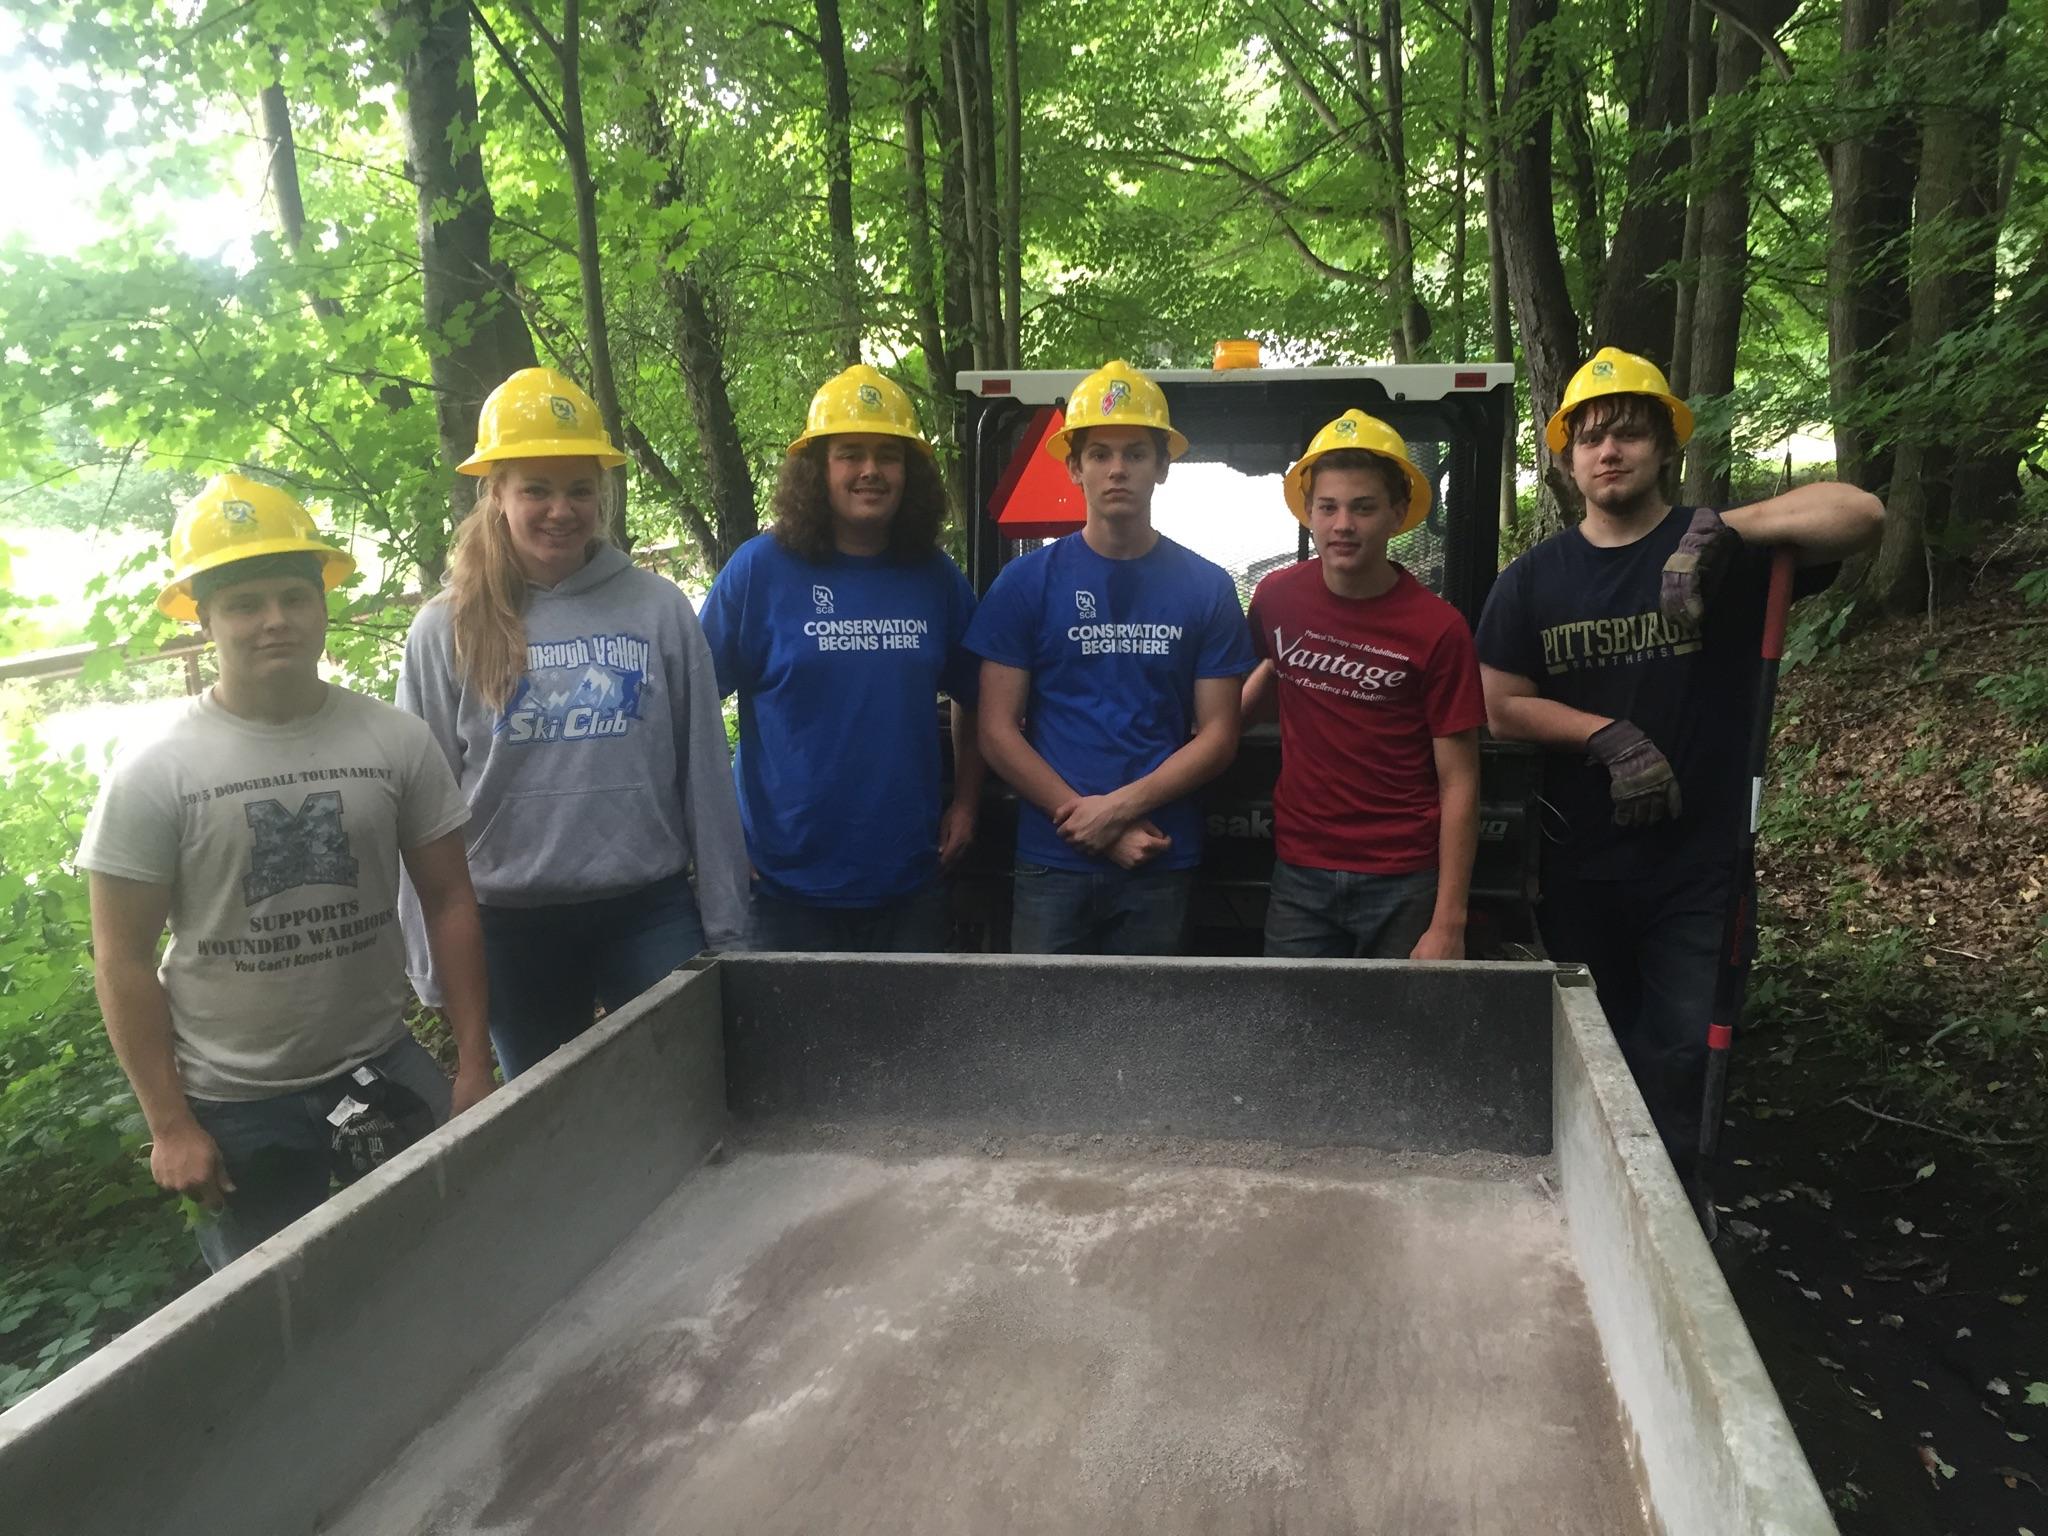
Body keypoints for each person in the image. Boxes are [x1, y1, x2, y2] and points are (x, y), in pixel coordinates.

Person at [1475, 346, 1884, 1177]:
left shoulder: (1719, 555)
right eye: (1589, 439)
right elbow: (1499, 702)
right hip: (1578, 865)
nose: (1609, 451)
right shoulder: (1532, 581)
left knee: (1687, 1051)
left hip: (1700, 865)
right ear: (1568, 461)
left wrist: (1725, 530)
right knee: (1593, 1051)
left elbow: (1861, 514)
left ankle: (1680, 1209)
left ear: (1666, 447)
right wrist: (1602, 734)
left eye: (1629, 433)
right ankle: (1597, 1198)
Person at [80, 474, 492, 1271]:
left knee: (445, 1260)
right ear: (203, 619)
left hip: (385, 1068)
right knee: (276, 1323)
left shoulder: (394, 742)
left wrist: (474, 1063)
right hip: (234, 1107)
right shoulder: (155, 772)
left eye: (294, 597)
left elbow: (450, 901)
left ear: (322, 603)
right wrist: (169, 1123)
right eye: (243, 603)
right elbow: (120, 957)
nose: (274, 621)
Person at [397, 367, 747, 1079]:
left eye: (579, 488)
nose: (561, 509)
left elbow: (705, 773)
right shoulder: (445, 629)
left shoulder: (656, 609)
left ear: (603, 494)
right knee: (543, 1119)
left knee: (685, 1086)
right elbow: (417, 813)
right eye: (536, 488)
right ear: (495, 492)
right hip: (508, 923)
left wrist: (727, 921)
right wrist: (432, 963)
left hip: (646, 909)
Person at [965, 358, 1257, 954]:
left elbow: (1219, 735)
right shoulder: (1025, 584)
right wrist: (1089, 824)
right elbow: (996, 730)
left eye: (1135, 453)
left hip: (1159, 853)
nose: (1117, 469)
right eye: (1099, 454)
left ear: (1162, 469)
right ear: (1074, 467)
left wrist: (1116, 814)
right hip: (1052, 860)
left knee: (1150, 1041)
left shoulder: (1206, 588)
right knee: (1042, 1037)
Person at [700, 364, 983, 951]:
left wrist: (967, 801)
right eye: (850, 454)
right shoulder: (758, 572)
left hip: (910, 882)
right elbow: (689, 710)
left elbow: (977, 696)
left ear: (910, 474)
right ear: (817, 470)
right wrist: (717, 836)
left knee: (912, 1045)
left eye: (889, 455)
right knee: (787, 1047)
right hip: (780, 890)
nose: (871, 471)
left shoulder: (936, 579)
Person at [1243, 411, 1485, 959]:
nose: (1342, 524)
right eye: (1327, 507)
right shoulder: (1275, 598)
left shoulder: (1439, 629)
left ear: (1398, 515)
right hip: (1299, 871)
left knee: (1401, 1038)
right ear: (1309, 514)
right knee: (1293, 1032)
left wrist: (1449, 922)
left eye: (1363, 507)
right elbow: (1259, 678)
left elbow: (1461, 781)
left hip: (1403, 878)